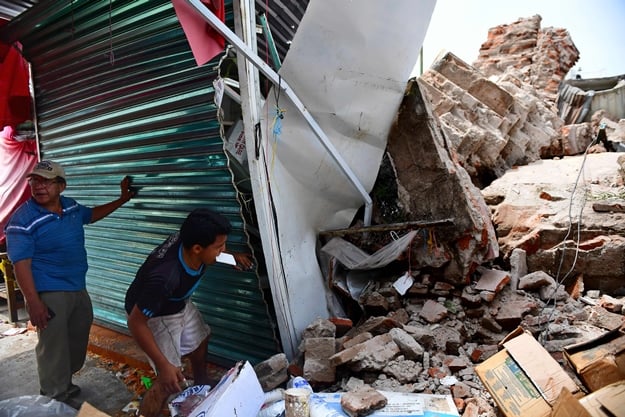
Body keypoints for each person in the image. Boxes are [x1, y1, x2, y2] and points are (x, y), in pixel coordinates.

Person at [4, 159, 134, 404]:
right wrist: (33, 302)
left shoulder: (71, 207)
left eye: (46, 181)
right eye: (34, 181)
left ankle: (64, 383)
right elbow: (21, 264)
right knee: (53, 348)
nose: (39, 186)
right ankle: (54, 399)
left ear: (61, 186)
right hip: (50, 291)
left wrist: (122, 199)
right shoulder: (22, 221)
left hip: (77, 286)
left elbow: (92, 215)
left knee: (77, 338)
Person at [124, 208, 252, 416]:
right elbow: (135, 322)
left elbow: (210, 251)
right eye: (219, 247)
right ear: (197, 249)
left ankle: (201, 380)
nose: (223, 250)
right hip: (154, 316)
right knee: (168, 380)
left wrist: (231, 257)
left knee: (201, 336)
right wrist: (163, 365)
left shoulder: (189, 242)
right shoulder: (166, 277)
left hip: (177, 301)